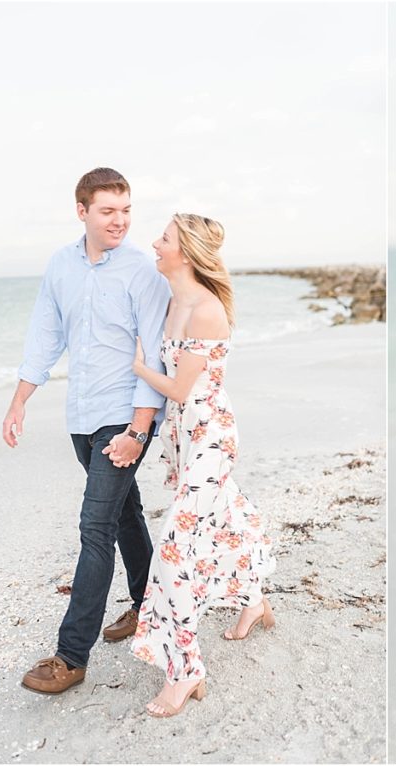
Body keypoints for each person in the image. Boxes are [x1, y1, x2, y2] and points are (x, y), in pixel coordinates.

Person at [4, 167, 170, 694]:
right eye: (108, 211)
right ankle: (149, 610)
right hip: (82, 415)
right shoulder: (60, 265)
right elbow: (45, 334)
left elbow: (155, 353)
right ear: (83, 211)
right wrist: (19, 401)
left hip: (124, 416)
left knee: (94, 526)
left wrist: (139, 430)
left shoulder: (144, 272)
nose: (119, 221)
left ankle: (71, 656)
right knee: (125, 515)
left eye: (125, 210)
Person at [127, 213, 276, 718]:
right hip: (187, 437)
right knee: (228, 517)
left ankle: (184, 671)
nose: (154, 242)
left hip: (211, 435)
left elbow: (180, 387)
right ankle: (254, 600)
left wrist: (139, 366)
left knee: (171, 550)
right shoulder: (174, 300)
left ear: (185, 252)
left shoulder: (206, 310)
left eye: (163, 238)